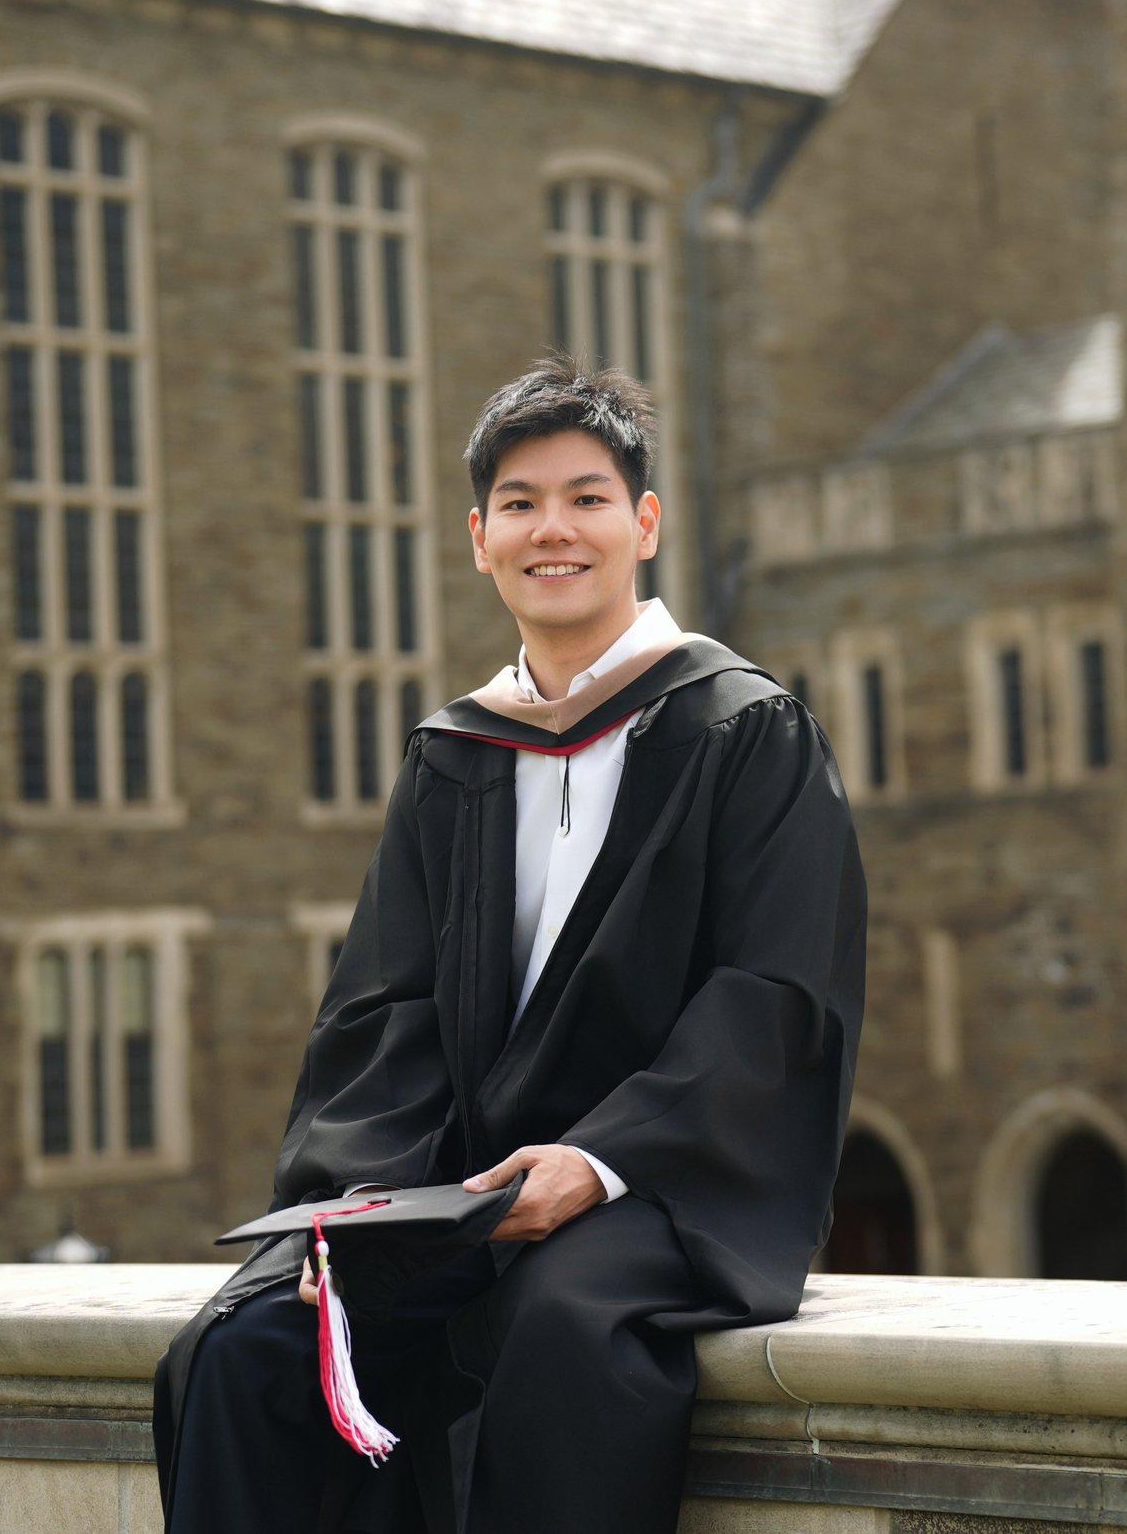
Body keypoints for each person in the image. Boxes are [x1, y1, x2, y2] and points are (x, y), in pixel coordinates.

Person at [153, 354, 867, 1534]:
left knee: (558, 1327)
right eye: (523, 504)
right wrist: (378, 1190)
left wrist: (596, 1160)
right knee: (249, 1341)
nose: (555, 530)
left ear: (642, 522)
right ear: (478, 535)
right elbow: (382, 1004)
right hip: (459, 1182)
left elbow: (775, 993)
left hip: (657, 1182)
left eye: (587, 498)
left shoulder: (746, 728)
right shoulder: (456, 754)